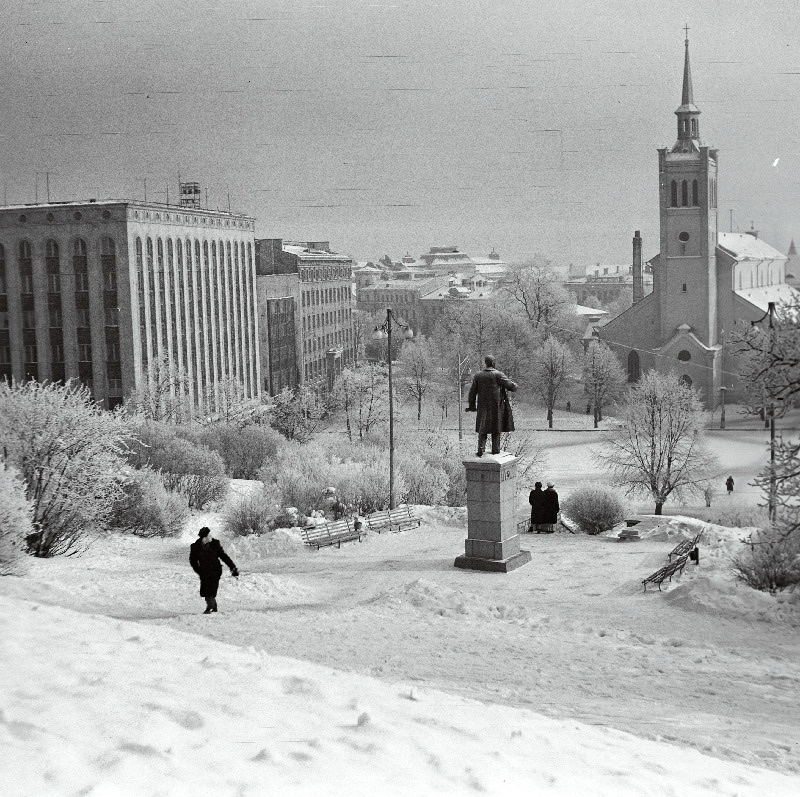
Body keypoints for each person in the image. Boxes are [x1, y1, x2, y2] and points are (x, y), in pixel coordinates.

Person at [465, 355, 518, 456]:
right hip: (496, 407)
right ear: (493, 363)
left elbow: (472, 393)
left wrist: (472, 406)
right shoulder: (498, 374)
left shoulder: (478, 375)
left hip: (482, 407)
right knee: (496, 429)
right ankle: (495, 450)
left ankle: (481, 448)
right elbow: (511, 387)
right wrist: (515, 385)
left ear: (486, 363)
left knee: (482, 428)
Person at [189, 527, 239, 614]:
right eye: (208, 535)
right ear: (203, 537)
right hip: (204, 571)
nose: (210, 536)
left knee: (211, 589)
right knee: (205, 590)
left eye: (210, 535)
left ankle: (210, 607)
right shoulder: (195, 547)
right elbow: (193, 560)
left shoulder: (215, 544)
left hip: (215, 570)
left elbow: (223, 556)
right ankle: (214, 606)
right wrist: (198, 570)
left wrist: (232, 567)